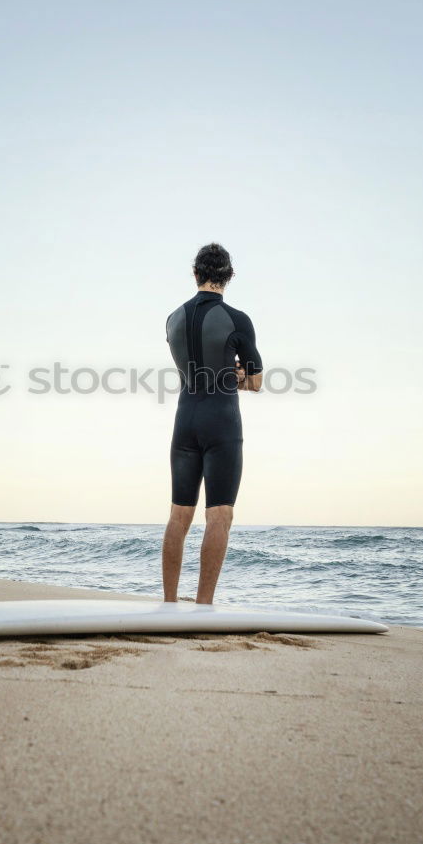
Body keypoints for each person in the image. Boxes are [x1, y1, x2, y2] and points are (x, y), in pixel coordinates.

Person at [162, 243, 262, 604]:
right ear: (229, 276)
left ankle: (169, 603)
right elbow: (255, 382)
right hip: (221, 422)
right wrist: (235, 374)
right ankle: (204, 606)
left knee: (178, 517)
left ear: (195, 274)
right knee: (219, 516)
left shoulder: (172, 318)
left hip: (184, 419)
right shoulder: (237, 319)